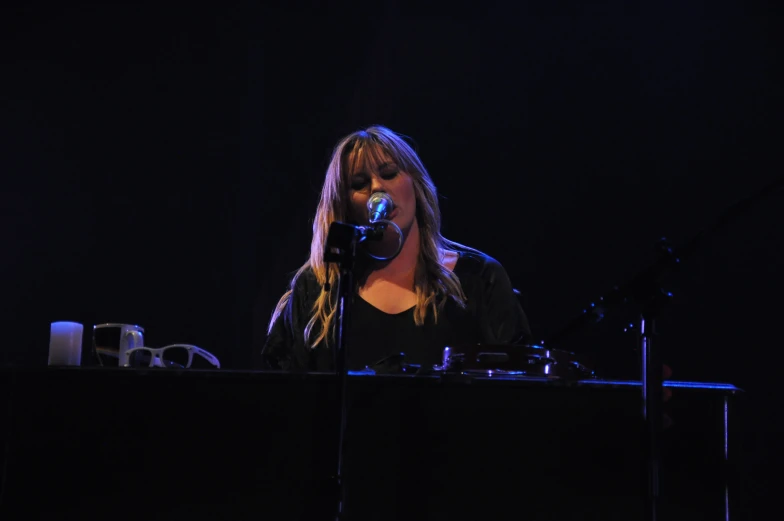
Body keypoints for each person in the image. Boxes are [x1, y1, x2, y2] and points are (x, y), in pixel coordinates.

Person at [261, 125, 531, 372]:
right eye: (359, 184)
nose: (378, 188)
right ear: (345, 205)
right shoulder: (318, 289)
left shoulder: (479, 278)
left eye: (389, 173)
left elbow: (520, 384)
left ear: (415, 183)